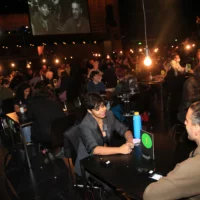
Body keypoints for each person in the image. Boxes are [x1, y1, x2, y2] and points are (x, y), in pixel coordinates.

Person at [143, 101, 200, 200]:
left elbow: (150, 195)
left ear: (197, 129)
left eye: (187, 120)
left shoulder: (193, 167)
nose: (184, 123)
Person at [75, 93, 134, 176]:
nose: (102, 110)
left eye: (103, 106)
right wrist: (120, 149)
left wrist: (130, 139)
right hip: (88, 163)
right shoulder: (85, 125)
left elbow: (124, 129)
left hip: (103, 158)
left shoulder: (108, 114)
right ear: (89, 111)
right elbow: (94, 149)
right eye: (97, 109)